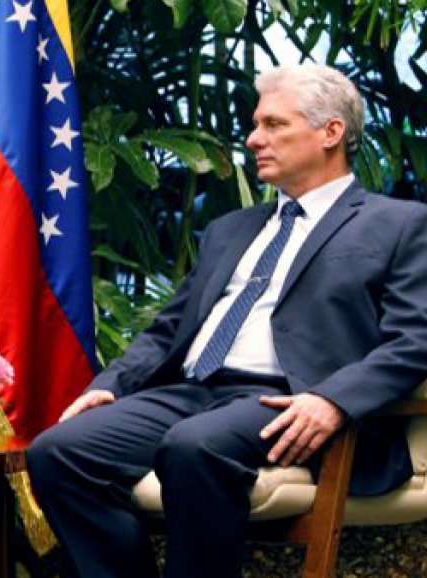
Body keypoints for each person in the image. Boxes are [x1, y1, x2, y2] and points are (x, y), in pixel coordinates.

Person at [27, 63, 427, 578]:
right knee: (58, 453)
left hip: (287, 398)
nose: (254, 138)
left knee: (194, 446)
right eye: (256, 124)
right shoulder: (229, 229)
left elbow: (415, 339)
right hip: (190, 391)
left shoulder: (398, 224)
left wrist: (334, 401)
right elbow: (170, 328)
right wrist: (113, 383)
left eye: (274, 125)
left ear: (332, 132)